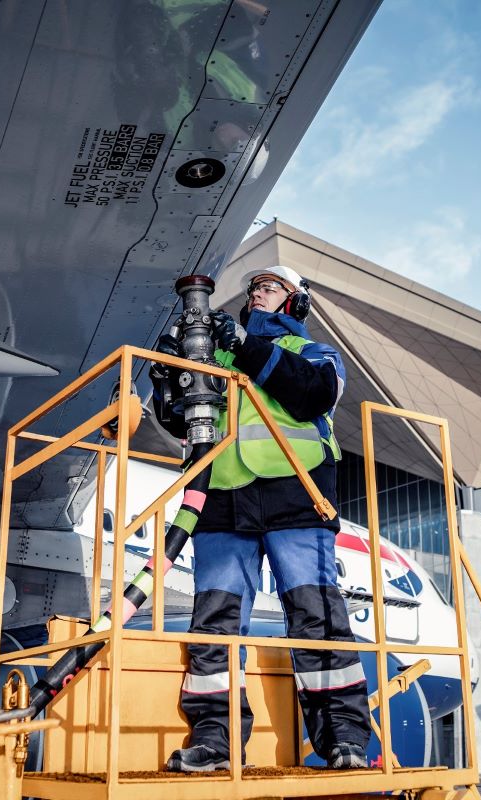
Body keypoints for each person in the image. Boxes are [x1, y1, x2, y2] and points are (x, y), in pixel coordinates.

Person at [150, 265, 371, 772]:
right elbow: (186, 420)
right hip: (222, 499)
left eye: (271, 288)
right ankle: (216, 740)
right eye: (254, 290)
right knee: (215, 623)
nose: (258, 294)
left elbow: (312, 394)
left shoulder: (313, 353)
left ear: (296, 304)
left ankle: (343, 739)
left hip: (298, 492)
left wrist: (246, 346)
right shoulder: (219, 358)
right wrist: (168, 381)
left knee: (316, 617)